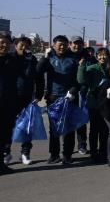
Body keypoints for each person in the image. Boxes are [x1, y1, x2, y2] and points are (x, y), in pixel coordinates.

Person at [36, 35, 80, 164]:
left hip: (69, 97)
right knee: (54, 128)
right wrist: (44, 57)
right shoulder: (49, 58)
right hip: (53, 97)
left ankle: (67, 155)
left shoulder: (73, 59)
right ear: (54, 45)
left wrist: (73, 90)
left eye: (64, 45)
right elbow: (38, 71)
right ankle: (54, 154)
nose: (62, 47)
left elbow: (78, 79)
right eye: (59, 44)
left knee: (69, 128)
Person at [8, 36, 43, 165]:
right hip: (10, 96)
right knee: (8, 126)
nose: (24, 48)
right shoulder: (9, 58)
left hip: (28, 97)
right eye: (21, 45)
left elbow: (38, 77)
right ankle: (6, 152)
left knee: (28, 126)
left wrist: (39, 94)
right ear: (15, 45)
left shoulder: (32, 59)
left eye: (27, 46)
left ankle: (25, 152)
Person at [77, 47, 110, 163]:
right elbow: (81, 80)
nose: (102, 57)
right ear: (96, 57)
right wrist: (81, 66)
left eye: (105, 55)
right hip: (94, 103)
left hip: (106, 103)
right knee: (94, 129)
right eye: (100, 55)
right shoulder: (92, 68)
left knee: (105, 129)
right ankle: (93, 153)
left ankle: (103, 152)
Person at [0, 31, 19, 174]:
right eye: (1, 42)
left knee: (5, 135)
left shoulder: (12, 60)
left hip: (8, 103)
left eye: (7, 43)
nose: (4, 45)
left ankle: (1, 164)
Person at [69, 36, 89, 155]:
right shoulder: (66, 56)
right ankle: (69, 147)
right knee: (69, 121)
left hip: (82, 93)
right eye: (75, 43)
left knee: (81, 121)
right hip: (69, 93)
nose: (77, 46)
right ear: (70, 44)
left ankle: (82, 144)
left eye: (79, 43)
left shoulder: (87, 56)